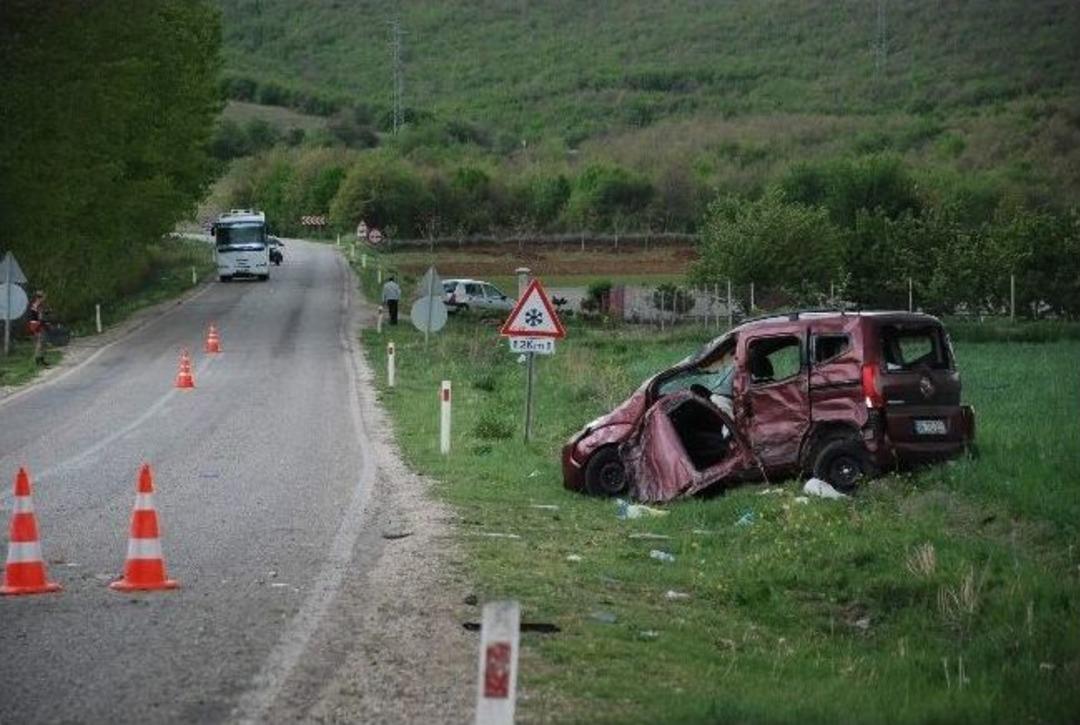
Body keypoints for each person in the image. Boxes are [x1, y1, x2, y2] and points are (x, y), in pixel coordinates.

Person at [27, 290, 49, 366]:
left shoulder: (34, 304)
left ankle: (40, 359)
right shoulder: (39, 305)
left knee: (40, 342)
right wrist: (45, 322)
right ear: (40, 297)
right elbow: (40, 317)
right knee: (40, 343)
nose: (44, 298)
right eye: (43, 297)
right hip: (37, 324)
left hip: (33, 324)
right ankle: (38, 360)